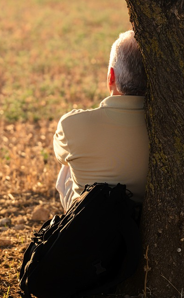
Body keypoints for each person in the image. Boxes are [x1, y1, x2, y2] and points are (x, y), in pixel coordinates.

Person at [54, 30, 149, 211]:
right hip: (140, 224)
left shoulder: (71, 124)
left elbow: (60, 155)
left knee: (67, 166)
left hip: (89, 225)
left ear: (111, 76)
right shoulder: (167, 129)